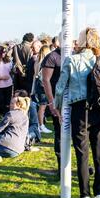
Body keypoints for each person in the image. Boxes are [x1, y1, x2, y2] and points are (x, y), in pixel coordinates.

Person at [55, 27, 100, 198]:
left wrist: (58, 108)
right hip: (98, 109)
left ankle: (85, 196)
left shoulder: (71, 60)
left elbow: (60, 88)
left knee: (81, 154)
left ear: (82, 41)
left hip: (78, 109)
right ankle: (99, 194)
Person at [41, 41, 62, 177]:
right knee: (60, 134)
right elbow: (46, 80)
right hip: (58, 102)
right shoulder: (52, 57)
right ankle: (61, 168)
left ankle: (83, 166)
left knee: (79, 135)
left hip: (75, 101)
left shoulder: (75, 55)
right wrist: (51, 101)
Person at [33, 44, 52, 134]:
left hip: (38, 85)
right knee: (42, 106)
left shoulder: (37, 61)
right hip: (42, 85)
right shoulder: (44, 63)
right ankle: (41, 125)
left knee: (41, 106)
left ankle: (40, 124)